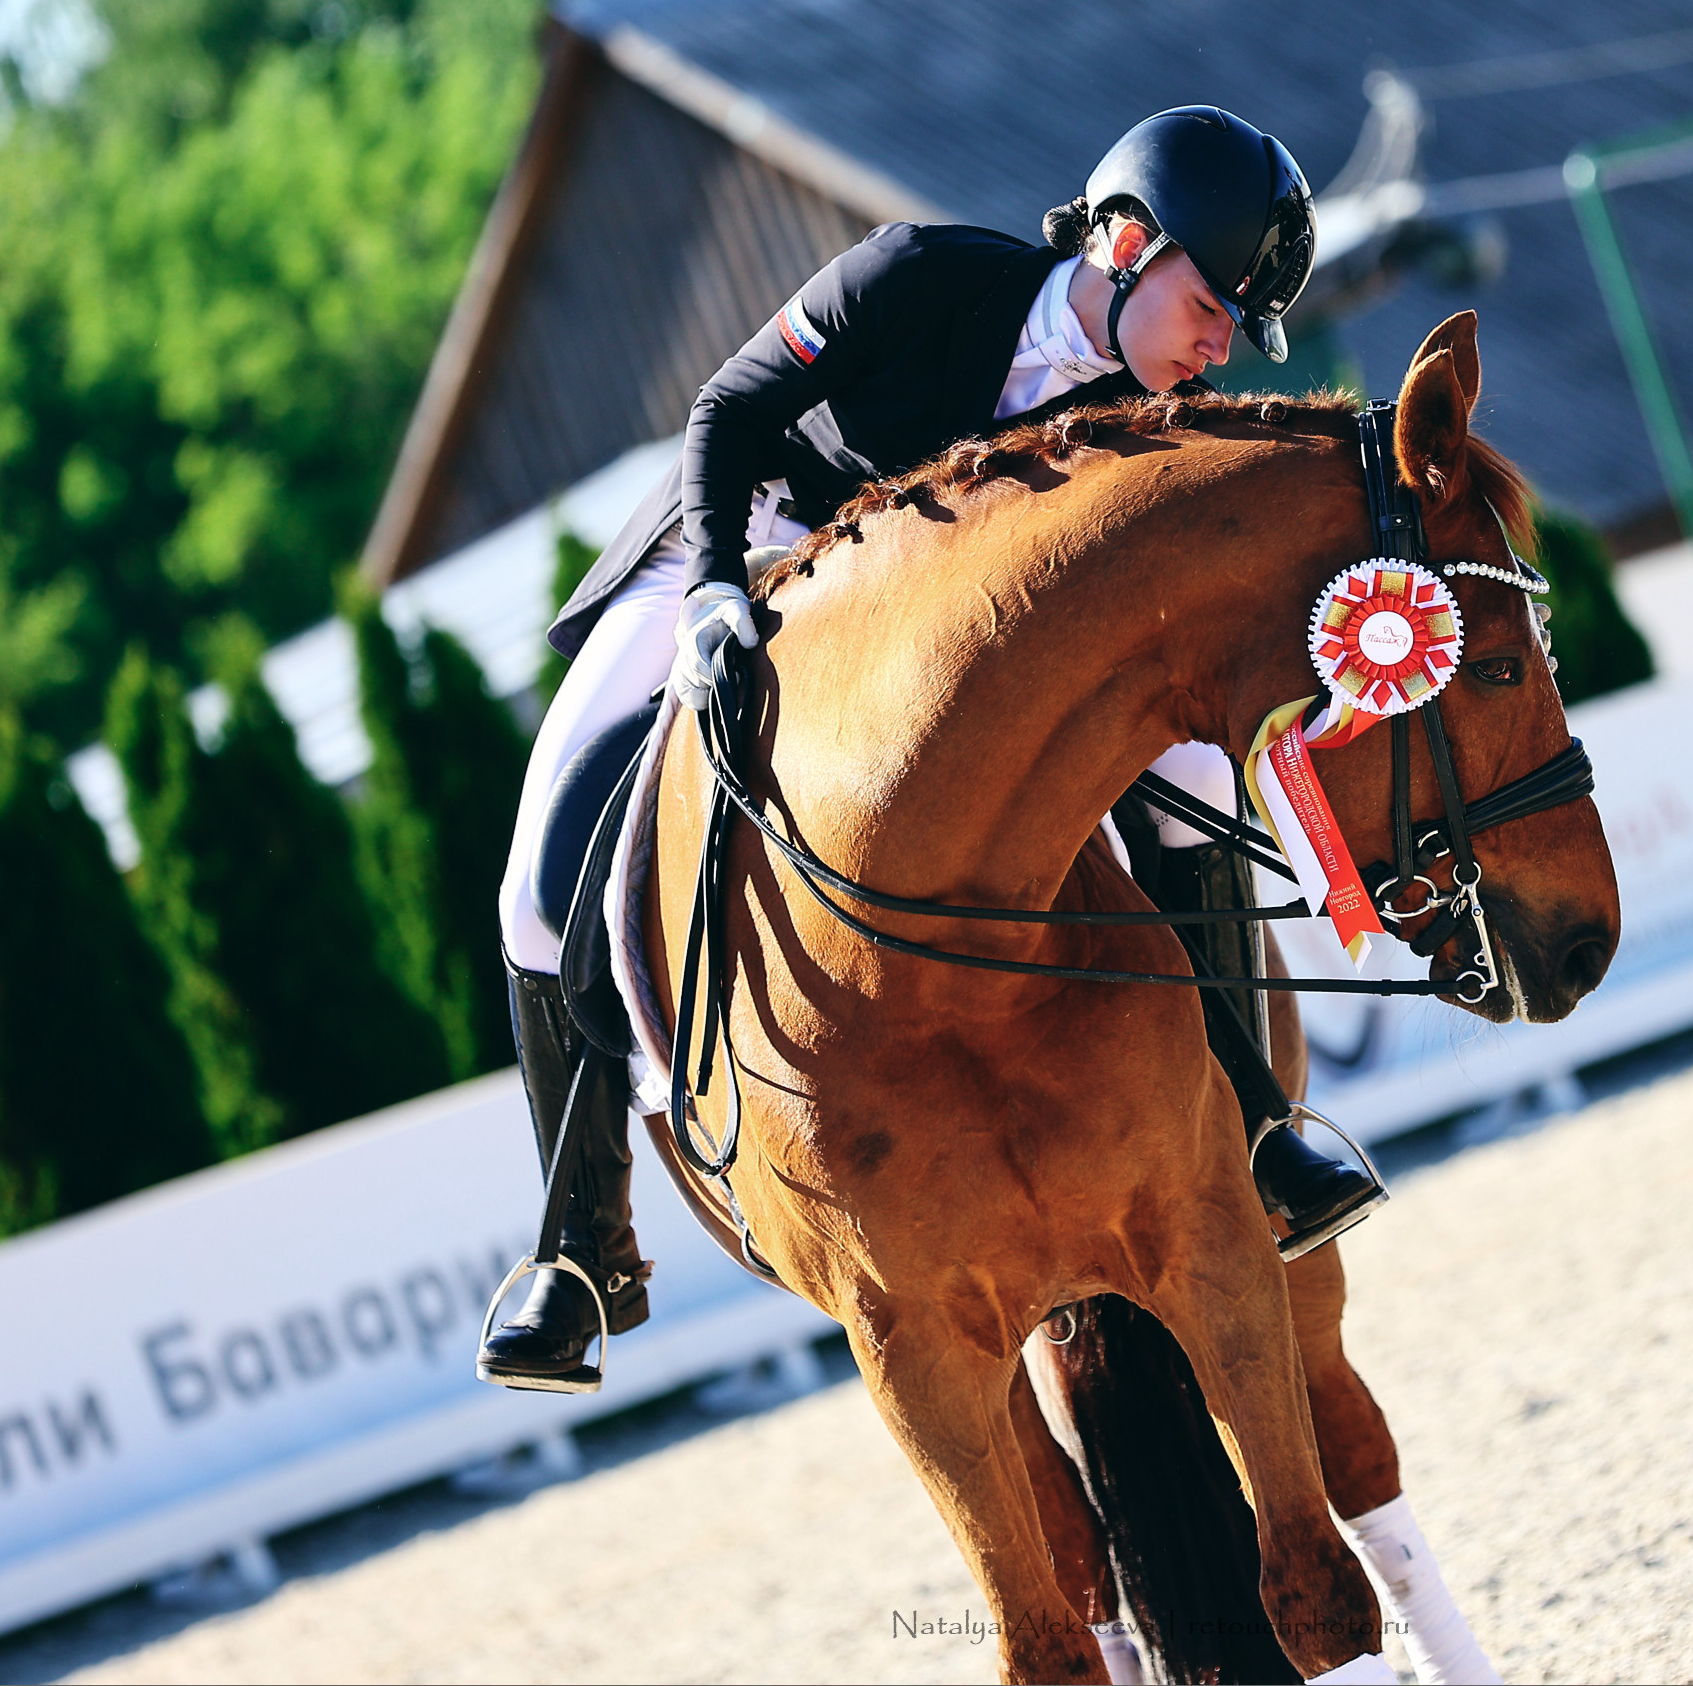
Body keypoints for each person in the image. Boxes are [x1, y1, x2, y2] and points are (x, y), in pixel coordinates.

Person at [480, 105, 1380, 1391]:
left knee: (1187, 787)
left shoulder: (1143, 415)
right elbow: (727, 409)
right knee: (534, 880)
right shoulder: (917, 274)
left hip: (926, 647)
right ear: (1126, 241)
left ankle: (1260, 1124)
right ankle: (577, 1247)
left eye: (1236, 322)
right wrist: (715, 588)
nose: (1219, 339)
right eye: (1211, 300)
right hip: (742, 543)